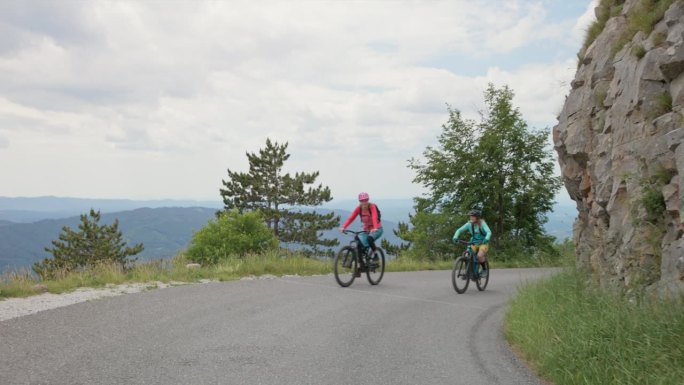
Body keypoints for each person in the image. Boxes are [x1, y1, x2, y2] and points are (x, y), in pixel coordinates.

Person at [339, 192, 384, 265]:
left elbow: (374, 217)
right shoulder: (359, 208)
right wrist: (343, 227)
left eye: (365, 200)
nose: (364, 202)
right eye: (362, 201)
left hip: (377, 229)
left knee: (369, 239)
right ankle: (361, 264)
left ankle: (376, 256)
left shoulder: (372, 206)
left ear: (368, 200)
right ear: (360, 201)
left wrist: (375, 227)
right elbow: (351, 218)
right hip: (366, 230)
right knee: (358, 243)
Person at [452, 209, 492, 277]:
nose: (471, 218)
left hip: (483, 243)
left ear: (477, 217)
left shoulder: (482, 223)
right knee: (467, 255)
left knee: (479, 256)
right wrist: (455, 237)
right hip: (473, 243)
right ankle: (469, 272)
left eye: (473, 216)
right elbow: (459, 230)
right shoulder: (469, 224)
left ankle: (485, 269)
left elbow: (489, 232)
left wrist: (487, 238)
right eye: (470, 216)